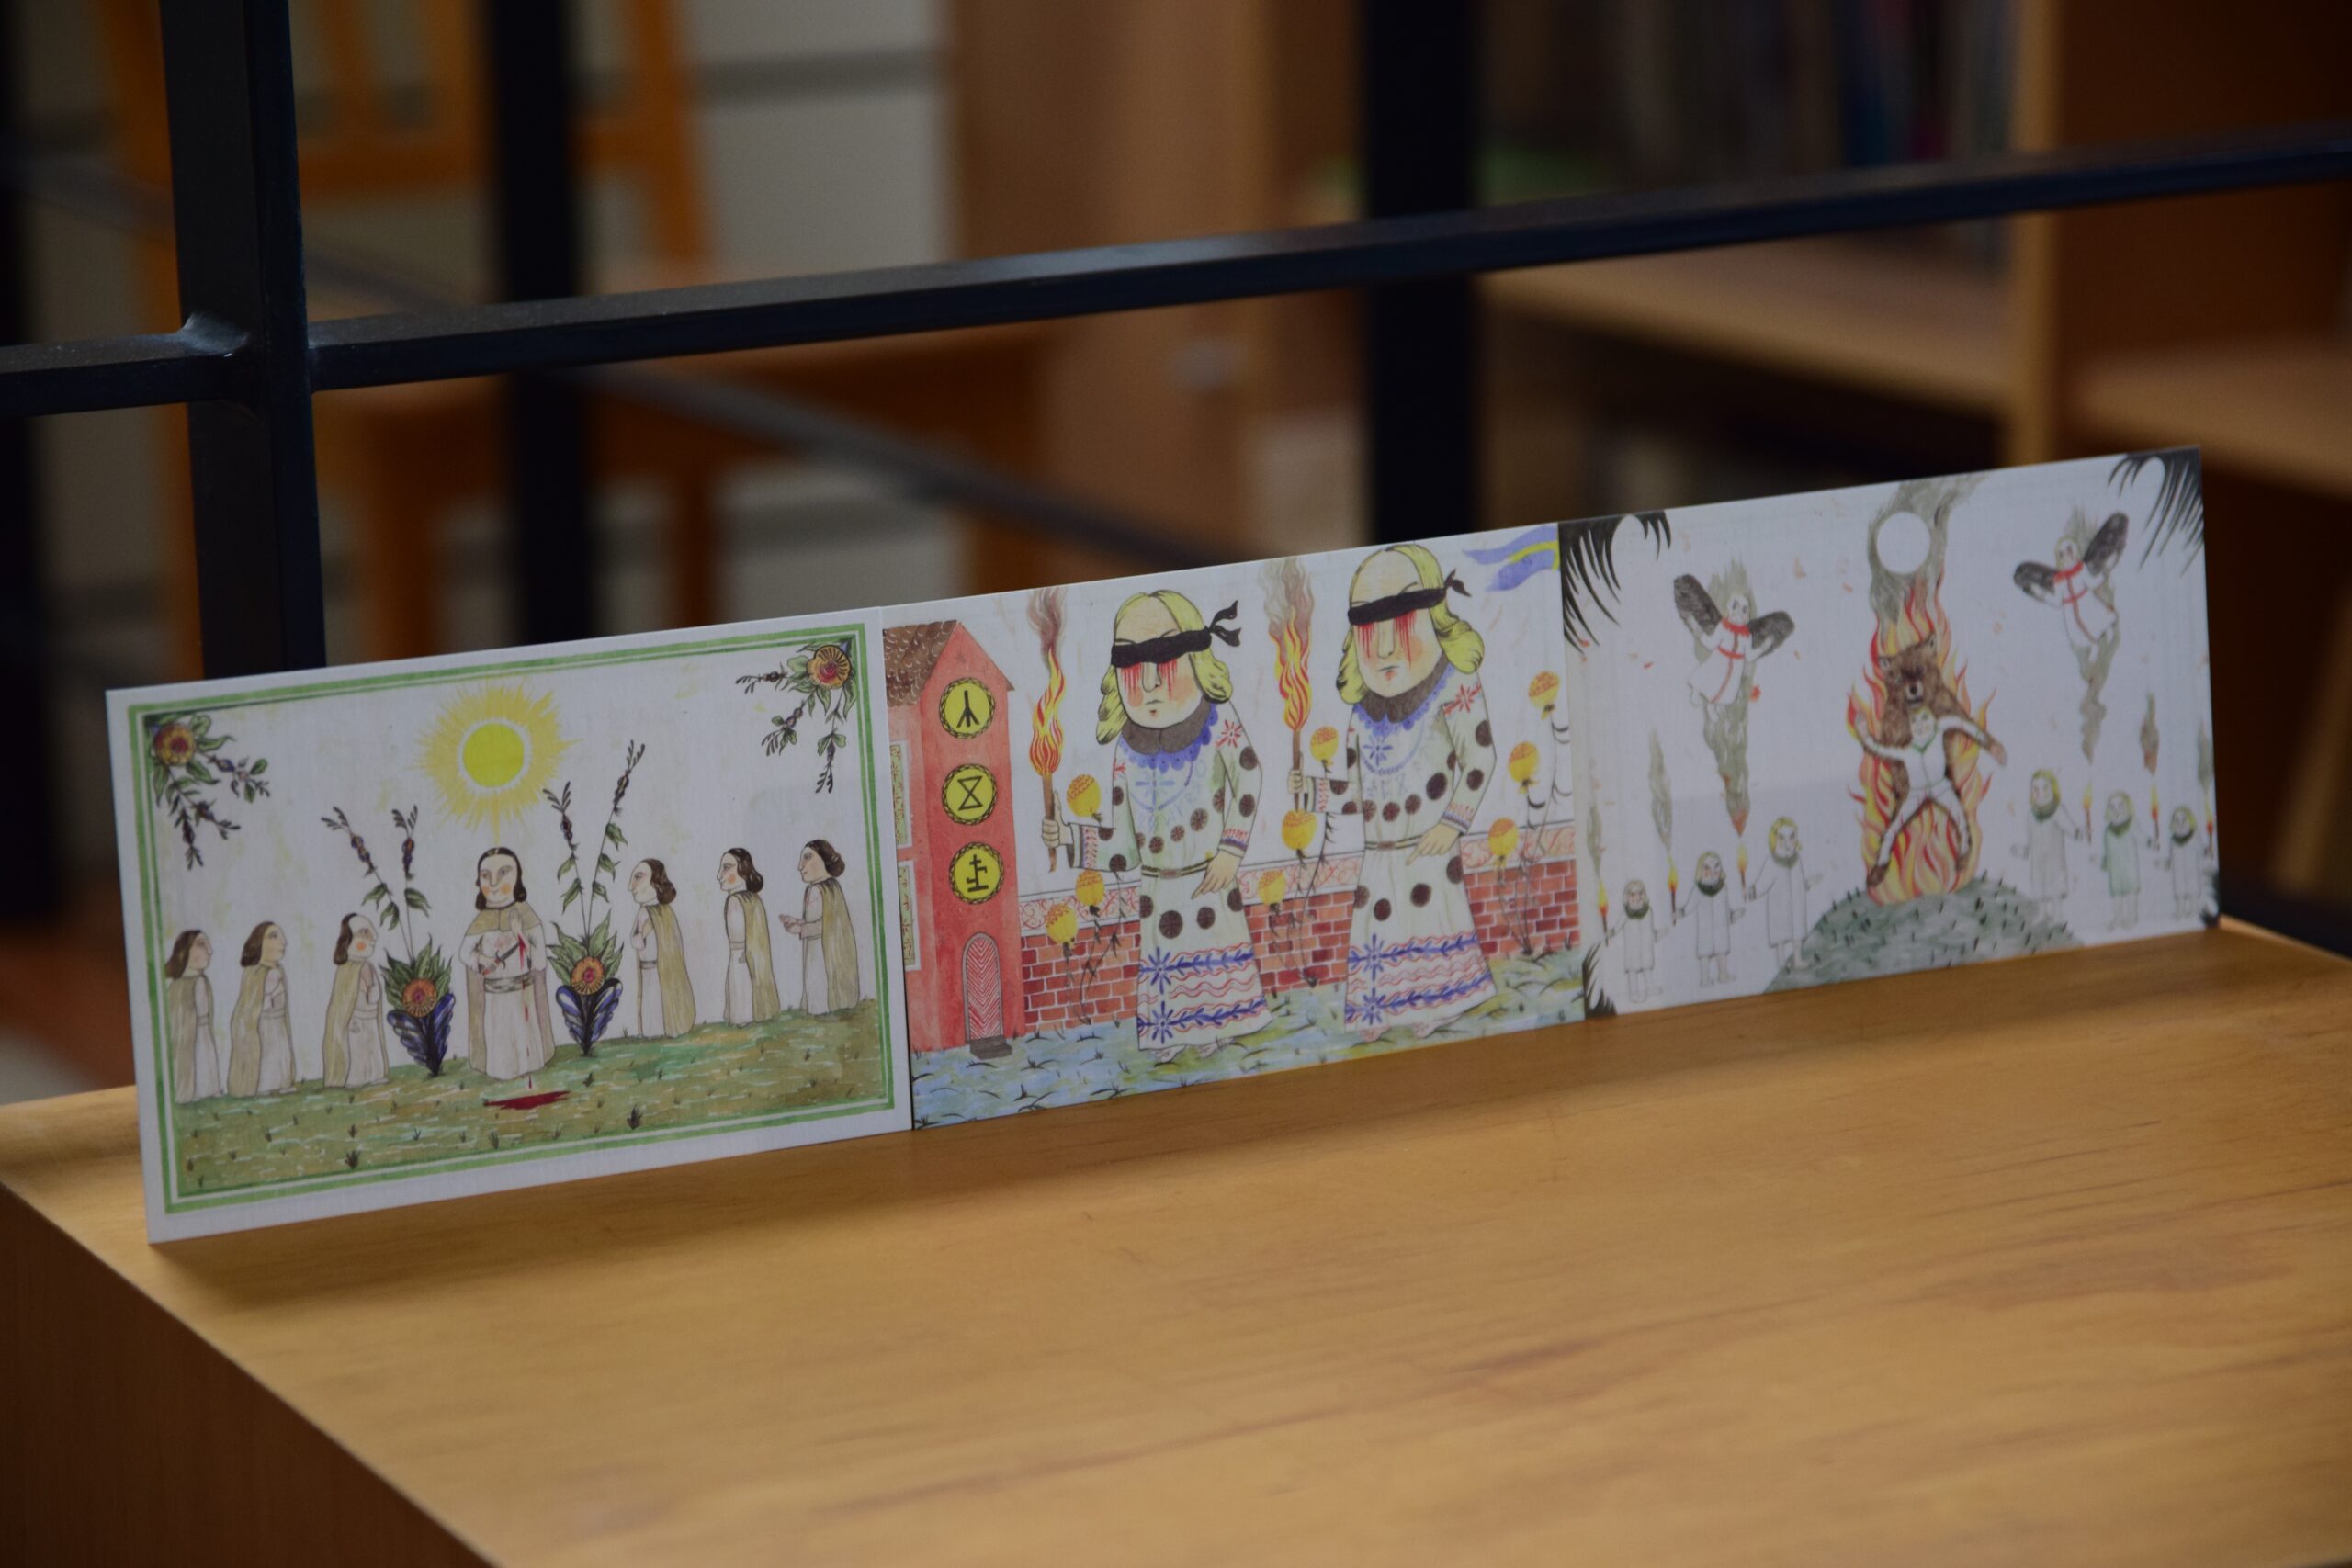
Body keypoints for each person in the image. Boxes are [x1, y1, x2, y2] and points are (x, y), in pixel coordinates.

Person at [1045, 588, 1271, 1062]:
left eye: (1164, 661)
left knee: (1213, 959)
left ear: (1196, 658)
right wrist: (1069, 836)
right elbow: (1125, 846)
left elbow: (1249, 774)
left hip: (1209, 880)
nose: (1148, 683)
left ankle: (1218, 1026)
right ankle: (1173, 1033)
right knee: (1170, 969)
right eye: (1132, 665)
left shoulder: (1217, 720)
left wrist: (1231, 850)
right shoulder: (1126, 748)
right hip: (1158, 893)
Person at [1295, 546, 1498, 1037]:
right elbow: (1355, 792)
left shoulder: (1454, 683)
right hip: (1379, 856)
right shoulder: (1362, 712)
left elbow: (1480, 758)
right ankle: (1380, 1008)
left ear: (1434, 618)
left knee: (1429, 926)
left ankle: (1438, 1003)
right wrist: (1311, 793)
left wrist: (1452, 824)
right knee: (1381, 934)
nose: (1385, 648)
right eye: (1370, 630)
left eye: (1402, 624)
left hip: (1428, 848)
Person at [1857, 705, 2005, 889]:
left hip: (1940, 786)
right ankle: (1881, 865)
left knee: (1960, 817)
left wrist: (1989, 744)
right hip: (1916, 792)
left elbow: (1963, 724)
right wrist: (1864, 735)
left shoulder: (1939, 730)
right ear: (1910, 728)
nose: (1921, 725)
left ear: (1934, 720)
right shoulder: (1907, 751)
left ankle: (1964, 852)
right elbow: (1879, 749)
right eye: (1915, 722)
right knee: (1893, 828)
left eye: (1925, 719)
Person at [461, 847, 556, 1079]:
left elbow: (540, 961)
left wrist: (519, 933)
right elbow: (465, 953)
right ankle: (500, 1071)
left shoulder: (527, 915)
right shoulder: (481, 921)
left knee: (523, 1034)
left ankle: (529, 1066)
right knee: (499, 1033)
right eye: (486, 876)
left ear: (517, 877)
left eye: (503, 873)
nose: (493, 883)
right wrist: (482, 959)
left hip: (523, 993)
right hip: (494, 995)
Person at [779, 839, 861, 1015]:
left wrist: (800, 929)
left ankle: (822, 1009)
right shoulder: (818, 888)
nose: (800, 866)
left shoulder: (822, 889)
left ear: (824, 859)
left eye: (808, 858)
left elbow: (827, 924)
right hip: (818, 946)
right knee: (814, 977)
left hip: (823, 948)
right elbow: (815, 919)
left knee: (820, 978)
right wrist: (797, 922)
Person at [626, 858, 696, 1036]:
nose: (631, 886)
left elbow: (642, 942)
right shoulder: (649, 912)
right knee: (651, 1000)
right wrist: (643, 933)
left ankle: (660, 1030)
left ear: (655, 882)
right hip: (650, 968)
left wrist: (642, 934)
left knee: (657, 999)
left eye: (638, 877)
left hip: (659, 969)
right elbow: (638, 941)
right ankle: (652, 1031)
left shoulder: (660, 913)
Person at [1746, 817, 1824, 973]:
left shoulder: (1797, 859)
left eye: (1792, 837)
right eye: (1782, 838)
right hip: (1779, 905)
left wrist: (1808, 883)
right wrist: (1752, 892)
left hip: (1797, 904)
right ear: (1775, 839)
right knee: (1781, 935)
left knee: (1797, 933)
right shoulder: (1772, 861)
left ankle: (1798, 959)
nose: (1788, 842)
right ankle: (1781, 962)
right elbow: (1763, 883)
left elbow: (1799, 882)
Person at [321, 914, 390, 1089]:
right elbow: (341, 1004)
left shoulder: (368, 966)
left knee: (372, 1045)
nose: (372, 937)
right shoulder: (346, 971)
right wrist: (348, 1021)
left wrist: (373, 991)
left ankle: (375, 1074)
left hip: (370, 1018)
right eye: (364, 932)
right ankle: (355, 1078)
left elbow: (374, 992)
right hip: (355, 1021)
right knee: (357, 1048)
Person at [226, 921, 295, 1096]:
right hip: (263, 1025)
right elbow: (250, 1005)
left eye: (281, 936)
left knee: (281, 1052)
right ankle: (264, 1085)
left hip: (279, 1022)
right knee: (267, 1053)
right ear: (259, 943)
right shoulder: (254, 973)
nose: (283, 942)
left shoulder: (279, 970)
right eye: (274, 936)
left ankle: (283, 1082)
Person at [718, 847, 782, 1026]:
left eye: (726, 868)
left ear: (743, 870)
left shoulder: (735, 900)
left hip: (740, 955)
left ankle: (742, 1019)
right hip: (750, 955)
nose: (720, 876)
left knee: (740, 986)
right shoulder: (754, 899)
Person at [2010, 769, 2085, 921]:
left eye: (2045, 788)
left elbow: (2072, 830)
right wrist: (2023, 850)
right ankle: (2042, 913)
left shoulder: (2057, 811)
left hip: (2054, 859)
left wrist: (2079, 833)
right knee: (2039, 886)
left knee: (2055, 886)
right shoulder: (2031, 815)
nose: (2040, 794)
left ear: (2053, 790)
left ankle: (2058, 915)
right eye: (2035, 789)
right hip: (2037, 859)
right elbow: (2030, 840)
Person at [163, 930, 222, 1102]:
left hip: (203, 1034)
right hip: (194, 1037)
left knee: (206, 1057)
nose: (209, 951)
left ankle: (208, 1089)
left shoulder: (201, 981)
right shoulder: (180, 987)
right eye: (201, 944)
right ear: (185, 951)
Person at [1682, 851, 1741, 987]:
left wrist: (1733, 913)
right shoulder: (1698, 890)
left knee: (1722, 951)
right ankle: (1705, 979)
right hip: (1705, 929)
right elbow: (1689, 906)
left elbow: (1728, 904)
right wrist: (1681, 913)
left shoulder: (1723, 888)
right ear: (1700, 870)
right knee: (1705, 954)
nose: (1712, 872)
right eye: (1707, 868)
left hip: (1721, 926)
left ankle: (1723, 975)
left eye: (1716, 867)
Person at [2153, 803, 2209, 921]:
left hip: (2192, 872)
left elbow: (2203, 852)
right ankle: (2180, 909)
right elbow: (2171, 860)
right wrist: (2163, 863)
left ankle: (2194, 909)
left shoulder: (2194, 837)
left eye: (2184, 820)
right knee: (2180, 892)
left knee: (2193, 891)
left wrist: (2208, 851)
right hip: (2179, 874)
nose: (2180, 824)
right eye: (2177, 821)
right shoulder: (2173, 841)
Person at [2098, 790, 2143, 931]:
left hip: (2129, 867)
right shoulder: (2108, 831)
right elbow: (2107, 849)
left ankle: (2132, 916)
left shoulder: (2132, 825)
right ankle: (2118, 917)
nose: (2116, 810)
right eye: (2112, 807)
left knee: (2130, 892)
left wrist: (2150, 842)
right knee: (2117, 894)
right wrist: (2104, 863)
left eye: (2120, 806)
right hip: (2115, 870)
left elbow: (2141, 837)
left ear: (2128, 808)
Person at [1610, 880, 1659, 1004]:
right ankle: (1634, 993)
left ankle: (1650, 989)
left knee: (1647, 967)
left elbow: (1651, 927)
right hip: (1632, 947)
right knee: (1632, 971)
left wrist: (1655, 935)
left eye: (1640, 893)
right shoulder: (1626, 914)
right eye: (1633, 894)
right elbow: (1617, 927)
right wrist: (1611, 933)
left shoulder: (1648, 911)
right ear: (1627, 897)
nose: (1637, 897)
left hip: (1645, 946)